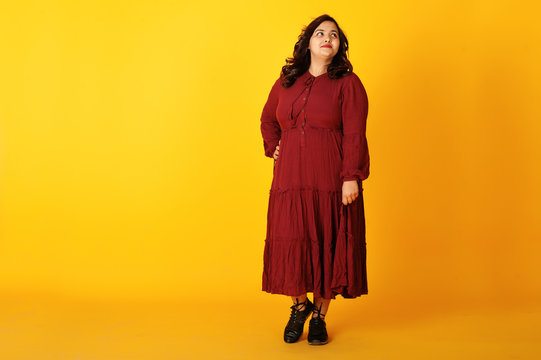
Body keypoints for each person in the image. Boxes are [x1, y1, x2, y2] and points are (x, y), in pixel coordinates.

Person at [260, 14, 370, 345]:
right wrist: (274, 146)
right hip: (290, 181)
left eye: (333, 35)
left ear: (339, 46)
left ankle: (319, 317)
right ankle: (299, 307)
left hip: (330, 179)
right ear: (307, 43)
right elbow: (267, 119)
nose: (327, 38)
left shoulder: (349, 84)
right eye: (319, 33)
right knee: (290, 239)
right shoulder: (286, 81)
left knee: (329, 242)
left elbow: (354, 133)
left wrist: (350, 177)